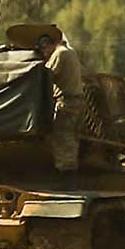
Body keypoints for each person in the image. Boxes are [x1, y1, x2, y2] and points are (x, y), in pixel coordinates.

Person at [36, 29, 85, 172]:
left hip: (67, 102)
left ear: (47, 45)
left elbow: (46, 74)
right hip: (77, 101)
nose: (44, 53)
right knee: (72, 139)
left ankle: (66, 173)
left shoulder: (59, 54)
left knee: (63, 139)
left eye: (43, 50)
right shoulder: (70, 52)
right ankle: (71, 170)